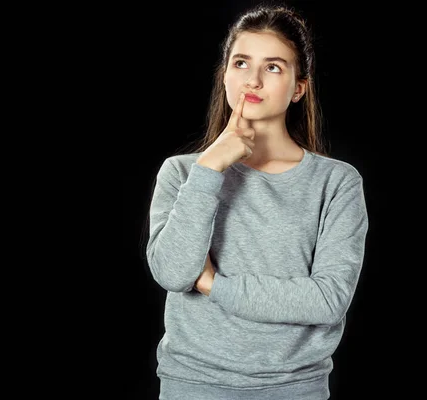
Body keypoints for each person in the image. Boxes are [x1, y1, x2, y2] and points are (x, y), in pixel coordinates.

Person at [145, 3, 369, 399]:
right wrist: (211, 166)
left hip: (295, 389)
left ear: (299, 87)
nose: (253, 80)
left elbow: (327, 300)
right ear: (225, 75)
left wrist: (216, 285)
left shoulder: (336, 183)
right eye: (241, 63)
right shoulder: (183, 172)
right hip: (193, 386)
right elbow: (173, 273)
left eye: (273, 67)